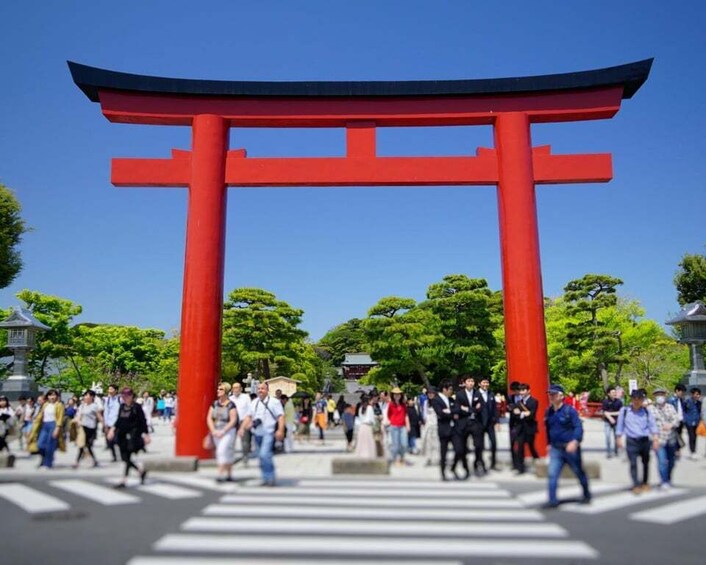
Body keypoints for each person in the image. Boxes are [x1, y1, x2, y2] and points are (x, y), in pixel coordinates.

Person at [542, 384, 591, 509]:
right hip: (556, 448)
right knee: (552, 474)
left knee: (578, 471)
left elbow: (578, 427)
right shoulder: (549, 411)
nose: (551, 396)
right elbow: (548, 429)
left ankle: (586, 494)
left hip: (570, 448)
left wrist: (575, 441)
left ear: (561, 396)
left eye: (553, 394)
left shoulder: (570, 411)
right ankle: (552, 500)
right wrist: (548, 444)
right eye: (549, 394)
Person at [239, 382, 285, 487]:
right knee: (261, 456)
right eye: (258, 388)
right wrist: (242, 428)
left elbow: (281, 417)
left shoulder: (274, 402)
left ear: (267, 390)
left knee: (264, 454)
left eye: (263, 388)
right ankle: (266, 477)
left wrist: (280, 430)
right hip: (257, 433)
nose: (260, 390)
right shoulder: (254, 402)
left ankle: (270, 477)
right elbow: (249, 417)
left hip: (268, 432)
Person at [616, 388, 659, 494]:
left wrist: (656, 439)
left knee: (646, 463)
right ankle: (635, 484)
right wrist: (618, 438)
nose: (636, 401)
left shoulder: (646, 412)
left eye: (639, 399)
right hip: (631, 440)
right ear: (631, 399)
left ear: (642, 399)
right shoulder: (625, 411)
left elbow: (653, 425)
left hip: (644, 440)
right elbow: (620, 425)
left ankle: (645, 482)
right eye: (634, 398)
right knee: (633, 463)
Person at [107, 387, 151, 488]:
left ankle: (124, 480)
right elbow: (118, 420)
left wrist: (146, 434)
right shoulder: (122, 406)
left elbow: (143, 421)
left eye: (127, 395)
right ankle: (141, 471)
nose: (125, 398)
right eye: (123, 396)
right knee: (124, 457)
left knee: (128, 456)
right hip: (121, 434)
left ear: (132, 396)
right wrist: (112, 430)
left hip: (133, 435)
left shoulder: (137, 407)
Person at [431, 379, 463, 481]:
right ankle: (443, 472)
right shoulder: (436, 400)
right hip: (444, 429)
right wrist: (452, 414)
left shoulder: (451, 400)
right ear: (444, 389)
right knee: (443, 453)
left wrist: (449, 412)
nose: (451, 391)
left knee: (459, 450)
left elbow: (458, 410)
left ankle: (453, 468)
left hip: (454, 429)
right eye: (450, 389)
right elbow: (440, 414)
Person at [206, 382, 238, 483]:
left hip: (228, 431)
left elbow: (233, 420)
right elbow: (209, 418)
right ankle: (229, 475)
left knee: (221, 451)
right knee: (227, 453)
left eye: (221, 389)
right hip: (216, 431)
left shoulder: (231, 405)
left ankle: (219, 474)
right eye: (218, 389)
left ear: (226, 392)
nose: (218, 391)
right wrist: (213, 430)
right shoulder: (214, 404)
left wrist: (223, 431)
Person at [28, 389, 66, 469]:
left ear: (57, 396)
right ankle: (45, 459)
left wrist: (57, 428)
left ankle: (47, 463)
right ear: (47, 396)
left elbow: (60, 418)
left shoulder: (59, 405)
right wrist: (34, 425)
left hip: (53, 424)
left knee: (50, 445)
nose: (52, 397)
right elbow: (40, 416)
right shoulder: (45, 405)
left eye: (54, 395)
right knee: (40, 444)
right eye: (50, 395)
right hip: (44, 425)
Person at [652, 388, 679, 490]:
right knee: (662, 461)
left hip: (671, 438)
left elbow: (677, 420)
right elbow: (650, 425)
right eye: (657, 394)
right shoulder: (651, 409)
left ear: (665, 395)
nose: (659, 396)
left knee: (672, 461)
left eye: (661, 394)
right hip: (658, 439)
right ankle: (664, 481)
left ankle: (668, 478)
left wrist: (671, 425)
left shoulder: (670, 407)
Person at [509, 383, 539, 474]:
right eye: (520, 390)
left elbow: (531, 415)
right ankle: (520, 468)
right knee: (520, 447)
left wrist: (520, 413)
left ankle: (539, 463)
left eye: (523, 390)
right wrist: (523, 414)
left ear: (528, 391)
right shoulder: (519, 402)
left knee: (531, 447)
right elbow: (515, 414)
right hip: (520, 428)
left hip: (530, 428)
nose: (521, 392)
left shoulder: (534, 401)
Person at [455, 375, 482, 477]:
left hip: (475, 422)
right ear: (464, 383)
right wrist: (473, 409)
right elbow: (458, 408)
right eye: (469, 381)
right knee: (463, 448)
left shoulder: (478, 393)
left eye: (472, 381)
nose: (471, 383)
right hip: (464, 423)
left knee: (478, 445)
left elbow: (480, 407)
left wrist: (467, 409)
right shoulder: (459, 394)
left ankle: (476, 463)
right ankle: (465, 468)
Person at [73, 390, 104, 468]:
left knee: (89, 445)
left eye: (87, 395)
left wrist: (104, 425)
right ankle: (77, 462)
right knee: (81, 445)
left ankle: (94, 460)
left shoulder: (94, 406)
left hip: (91, 428)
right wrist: (78, 421)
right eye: (85, 395)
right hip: (83, 428)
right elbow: (78, 415)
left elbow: (99, 416)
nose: (85, 397)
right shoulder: (82, 406)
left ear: (92, 397)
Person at [477, 377, 499, 471]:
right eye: (484, 382)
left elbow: (495, 409)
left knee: (494, 443)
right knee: (480, 445)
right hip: (479, 423)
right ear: (479, 384)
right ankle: (479, 462)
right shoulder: (475, 394)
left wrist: (497, 421)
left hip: (490, 423)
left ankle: (493, 463)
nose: (486, 384)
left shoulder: (491, 394)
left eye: (487, 382)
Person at [229, 382, 252, 464]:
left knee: (245, 440)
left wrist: (249, 421)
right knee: (231, 440)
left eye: (237, 387)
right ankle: (231, 457)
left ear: (241, 389)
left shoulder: (246, 397)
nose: (236, 389)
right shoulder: (230, 399)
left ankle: (245, 456)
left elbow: (250, 410)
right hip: (233, 421)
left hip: (243, 420)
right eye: (234, 388)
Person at [387, 387, 410, 466]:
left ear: (401, 395)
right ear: (393, 395)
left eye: (398, 394)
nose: (397, 396)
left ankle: (402, 458)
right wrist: (393, 421)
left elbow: (406, 415)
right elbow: (389, 415)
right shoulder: (391, 404)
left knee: (404, 444)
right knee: (395, 444)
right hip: (394, 426)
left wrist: (408, 425)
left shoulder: (403, 404)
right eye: (395, 394)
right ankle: (395, 459)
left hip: (402, 426)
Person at [602, 386, 623, 458]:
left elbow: (620, 412)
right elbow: (604, 412)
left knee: (616, 437)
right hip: (607, 422)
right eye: (613, 392)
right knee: (607, 437)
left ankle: (616, 451)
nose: (614, 393)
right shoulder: (605, 401)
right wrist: (610, 418)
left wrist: (610, 414)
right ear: (608, 394)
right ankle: (608, 452)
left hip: (616, 422)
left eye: (615, 392)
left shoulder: (619, 402)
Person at [102, 384, 121, 462]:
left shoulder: (120, 399)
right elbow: (106, 412)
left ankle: (123, 454)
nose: (109, 390)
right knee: (110, 441)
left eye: (111, 389)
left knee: (118, 440)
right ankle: (114, 456)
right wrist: (105, 423)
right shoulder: (107, 400)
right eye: (109, 389)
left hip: (118, 423)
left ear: (116, 390)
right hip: (109, 423)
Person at [683, 387, 702, 461]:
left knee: (695, 437)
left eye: (699, 394)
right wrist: (685, 420)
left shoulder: (699, 403)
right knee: (691, 436)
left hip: (696, 422)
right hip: (689, 422)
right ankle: (692, 452)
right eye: (696, 394)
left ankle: (694, 451)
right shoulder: (687, 402)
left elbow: (700, 412)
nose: (698, 396)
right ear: (692, 394)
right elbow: (683, 410)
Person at [668, 384, 687, 456]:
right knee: (674, 436)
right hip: (674, 421)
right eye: (682, 392)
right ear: (677, 391)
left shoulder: (681, 400)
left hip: (680, 420)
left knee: (679, 435)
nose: (683, 394)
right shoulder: (671, 400)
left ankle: (677, 450)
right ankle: (675, 451)